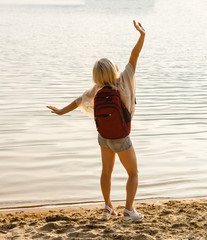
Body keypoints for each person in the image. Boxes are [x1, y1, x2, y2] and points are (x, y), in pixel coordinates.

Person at [46, 20, 145, 223]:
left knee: (106, 172)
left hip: (103, 137)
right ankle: (128, 211)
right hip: (120, 137)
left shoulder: (97, 89)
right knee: (133, 173)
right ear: (113, 70)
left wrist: (61, 112)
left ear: (97, 76)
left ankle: (108, 207)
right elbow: (134, 57)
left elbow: (78, 101)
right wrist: (142, 36)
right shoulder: (124, 80)